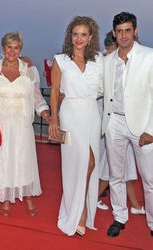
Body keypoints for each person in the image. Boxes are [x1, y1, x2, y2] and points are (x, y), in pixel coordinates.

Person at [0, 32, 50, 217]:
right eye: (9, 47)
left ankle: (27, 195)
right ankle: (5, 198)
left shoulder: (29, 70)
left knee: (23, 158)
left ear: (21, 49)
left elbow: (36, 96)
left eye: (16, 47)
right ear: (3, 47)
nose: (12, 51)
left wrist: (45, 112)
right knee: (3, 159)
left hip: (21, 123)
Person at [49, 16, 103, 236]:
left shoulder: (99, 60)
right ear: (69, 36)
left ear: (90, 38)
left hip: (92, 114)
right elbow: (54, 91)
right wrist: (54, 119)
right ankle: (78, 213)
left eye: (83, 34)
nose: (79, 39)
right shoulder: (60, 60)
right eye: (75, 34)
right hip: (69, 115)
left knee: (91, 163)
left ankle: (81, 210)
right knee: (80, 163)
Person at [102, 12, 153, 237]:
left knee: (149, 178)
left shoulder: (149, 57)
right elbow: (100, 89)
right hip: (114, 122)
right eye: (119, 31)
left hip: (143, 126)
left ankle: (152, 222)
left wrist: (151, 130)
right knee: (116, 174)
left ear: (135, 31)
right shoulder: (107, 61)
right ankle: (119, 217)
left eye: (127, 30)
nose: (123, 35)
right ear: (114, 33)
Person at [97, 32, 145, 215]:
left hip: (130, 124)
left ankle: (134, 205)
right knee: (110, 167)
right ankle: (94, 199)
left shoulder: (135, 62)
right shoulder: (105, 62)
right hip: (108, 123)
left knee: (124, 168)